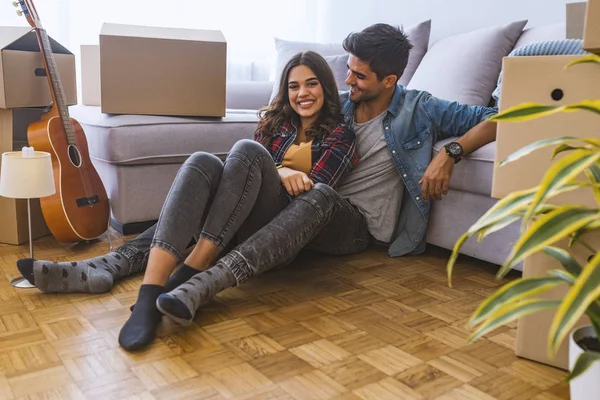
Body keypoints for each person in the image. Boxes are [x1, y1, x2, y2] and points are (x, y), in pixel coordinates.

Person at [18, 22, 499, 350]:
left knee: (317, 193)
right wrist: (273, 169)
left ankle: (200, 283)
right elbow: (265, 154)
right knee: (210, 163)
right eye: (346, 70)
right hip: (298, 210)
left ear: (390, 79)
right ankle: (116, 265)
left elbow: (500, 114)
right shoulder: (337, 107)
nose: (345, 78)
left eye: (358, 74)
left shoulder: (418, 109)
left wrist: (449, 151)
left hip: (354, 225)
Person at [15, 50, 358, 351]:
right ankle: (131, 279)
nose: (302, 93)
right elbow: (251, 177)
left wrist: (277, 171)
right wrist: (281, 171)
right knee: (202, 162)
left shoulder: (341, 134)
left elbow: (313, 195)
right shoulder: (273, 124)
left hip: (277, 228)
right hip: (241, 214)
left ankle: (191, 268)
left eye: (311, 84)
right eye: (294, 86)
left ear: (326, 88)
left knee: (247, 151)